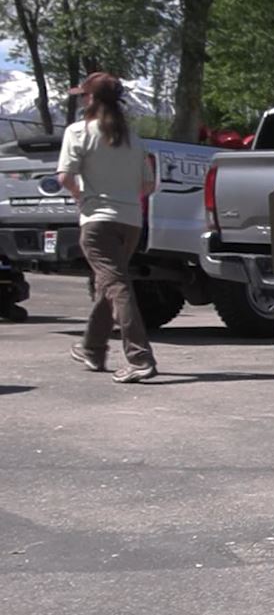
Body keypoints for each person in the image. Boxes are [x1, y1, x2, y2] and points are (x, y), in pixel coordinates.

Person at [56, 72, 157, 383]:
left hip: (97, 221)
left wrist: (82, 197)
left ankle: (140, 358)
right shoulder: (133, 139)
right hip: (129, 223)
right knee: (109, 282)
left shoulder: (78, 132)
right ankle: (93, 348)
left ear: (91, 99)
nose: (82, 100)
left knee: (116, 286)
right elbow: (148, 185)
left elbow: (64, 176)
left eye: (84, 96)